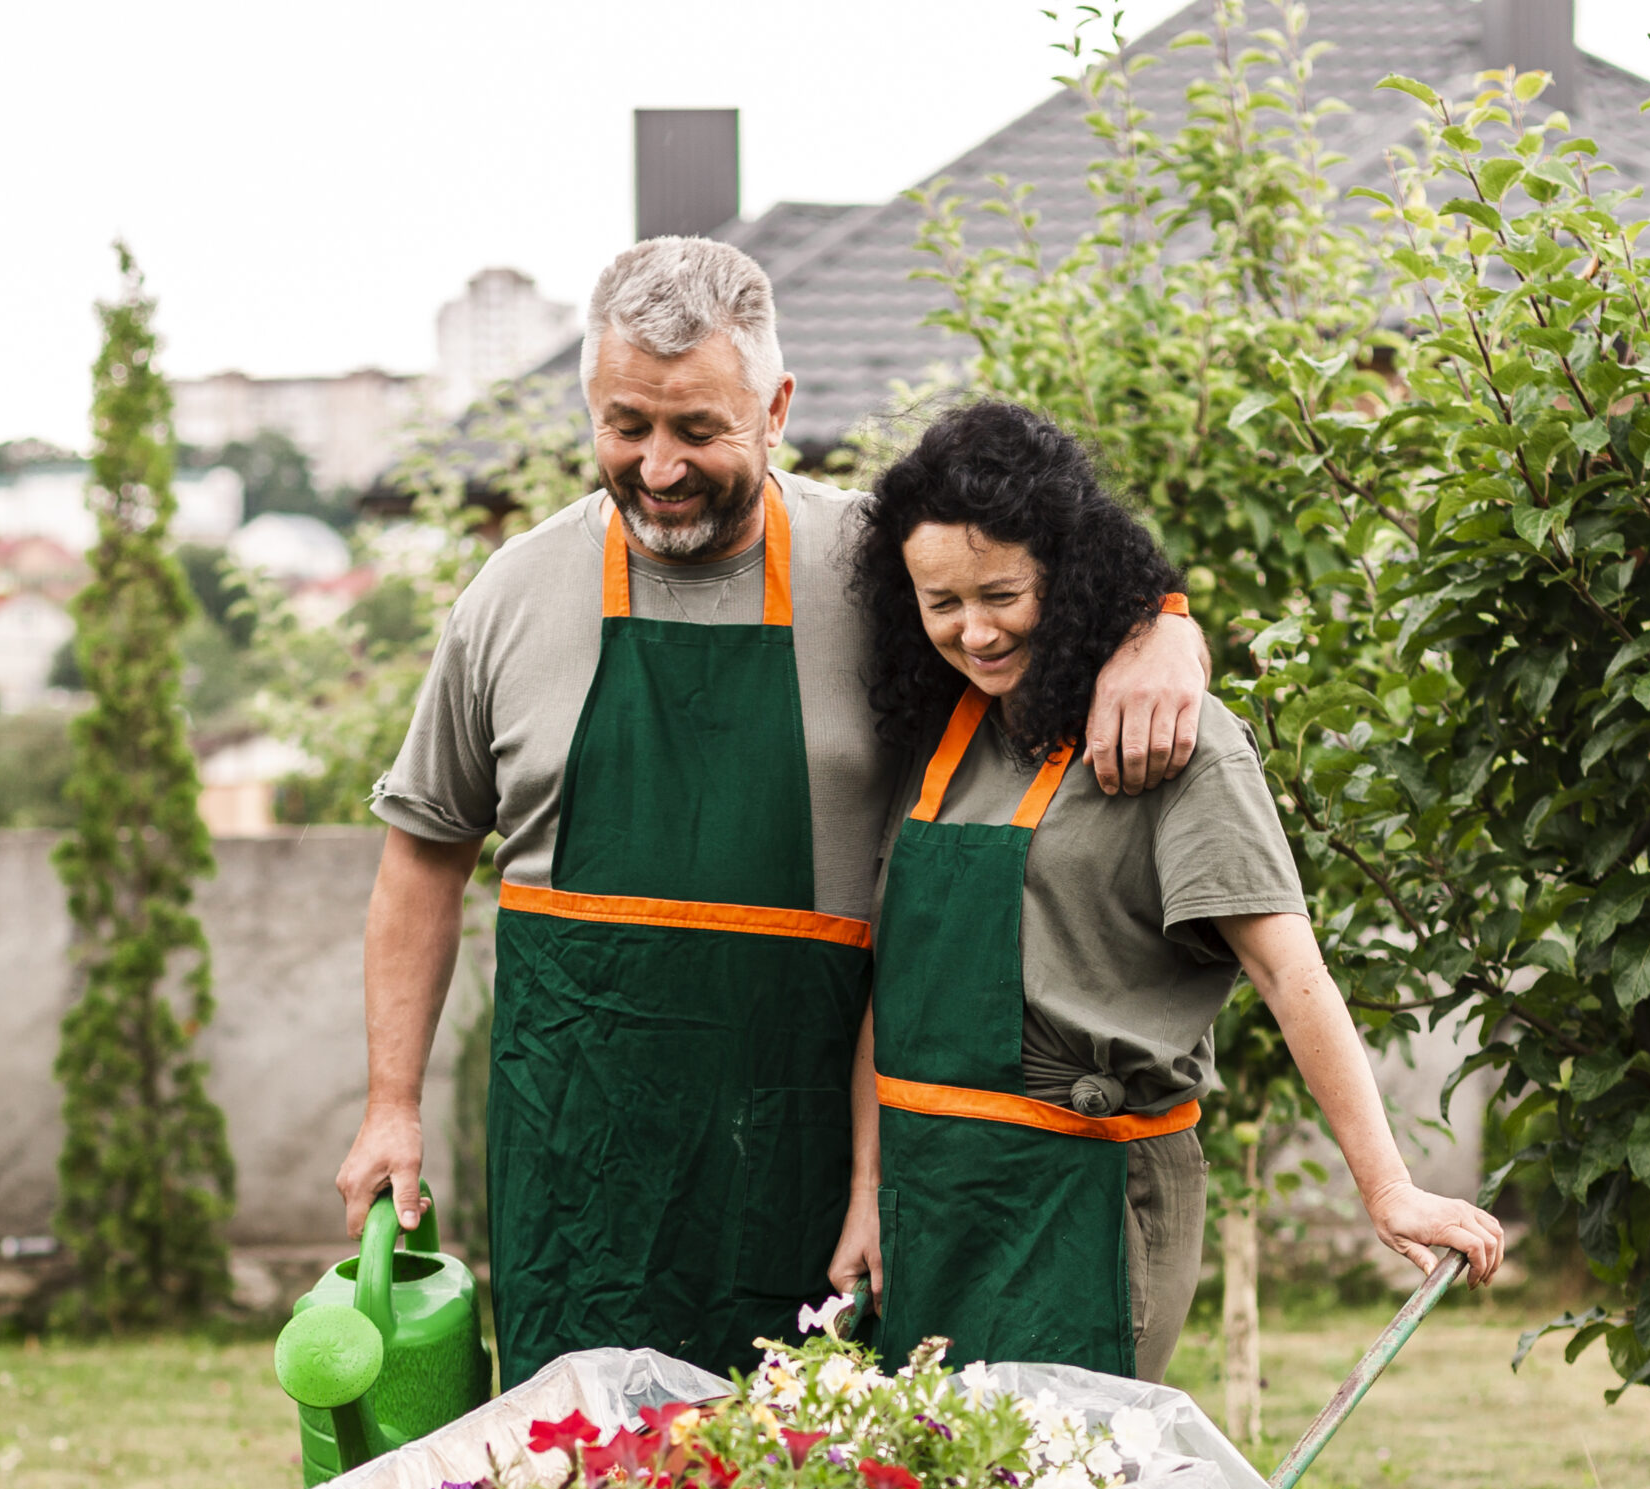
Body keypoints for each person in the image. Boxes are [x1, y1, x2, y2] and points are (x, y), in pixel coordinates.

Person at [829, 401, 1506, 1489]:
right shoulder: (944, 734)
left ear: (1078, 573)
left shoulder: (1170, 744)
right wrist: (863, 1194)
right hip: (933, 1195)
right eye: (944, 600)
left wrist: (1391, 1182)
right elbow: (884, 994)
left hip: (1083, 1184)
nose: (978, 629)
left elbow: (1290, 970)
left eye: (1006, 592)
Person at [334, 240, 1212, 1392]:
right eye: (624, 424)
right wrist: (389, 1106)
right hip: (583, 1163)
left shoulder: (882, 570)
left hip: (826, 1156)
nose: (656, 466)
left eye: (697, 429)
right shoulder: (510, 596)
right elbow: (421, 860)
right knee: (570, 1488)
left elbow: (1047, 606)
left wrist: (1164, 628)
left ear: (777, 407)